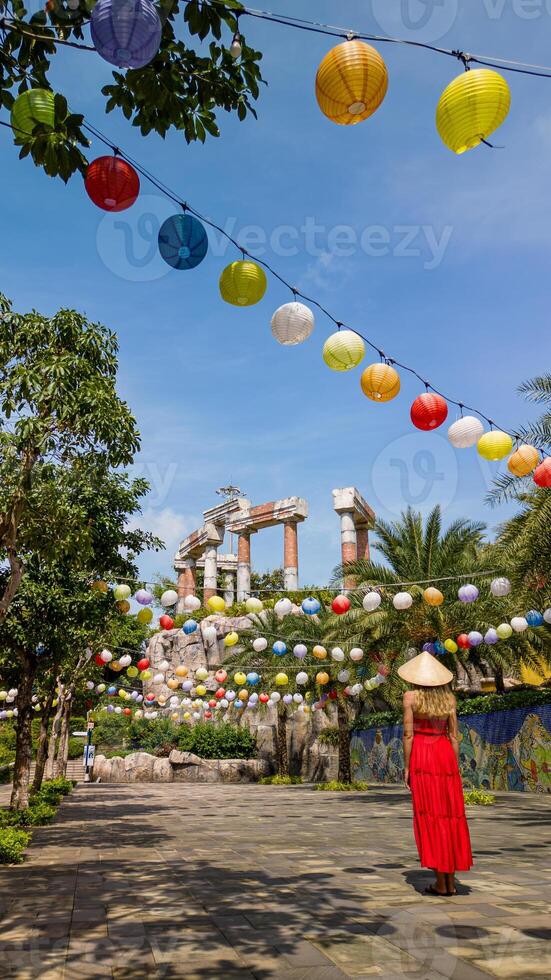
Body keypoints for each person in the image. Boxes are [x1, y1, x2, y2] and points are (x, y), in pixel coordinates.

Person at [398, 651, 472, 897]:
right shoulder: (449, 699)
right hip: (444, 756)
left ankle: (441, 883)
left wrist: (407, 767)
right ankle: (449, 881)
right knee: (450, 814)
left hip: (422, 755)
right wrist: (454, 765)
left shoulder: (410, 698)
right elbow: (454, 736)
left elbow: (409, 735)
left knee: (430, 815)